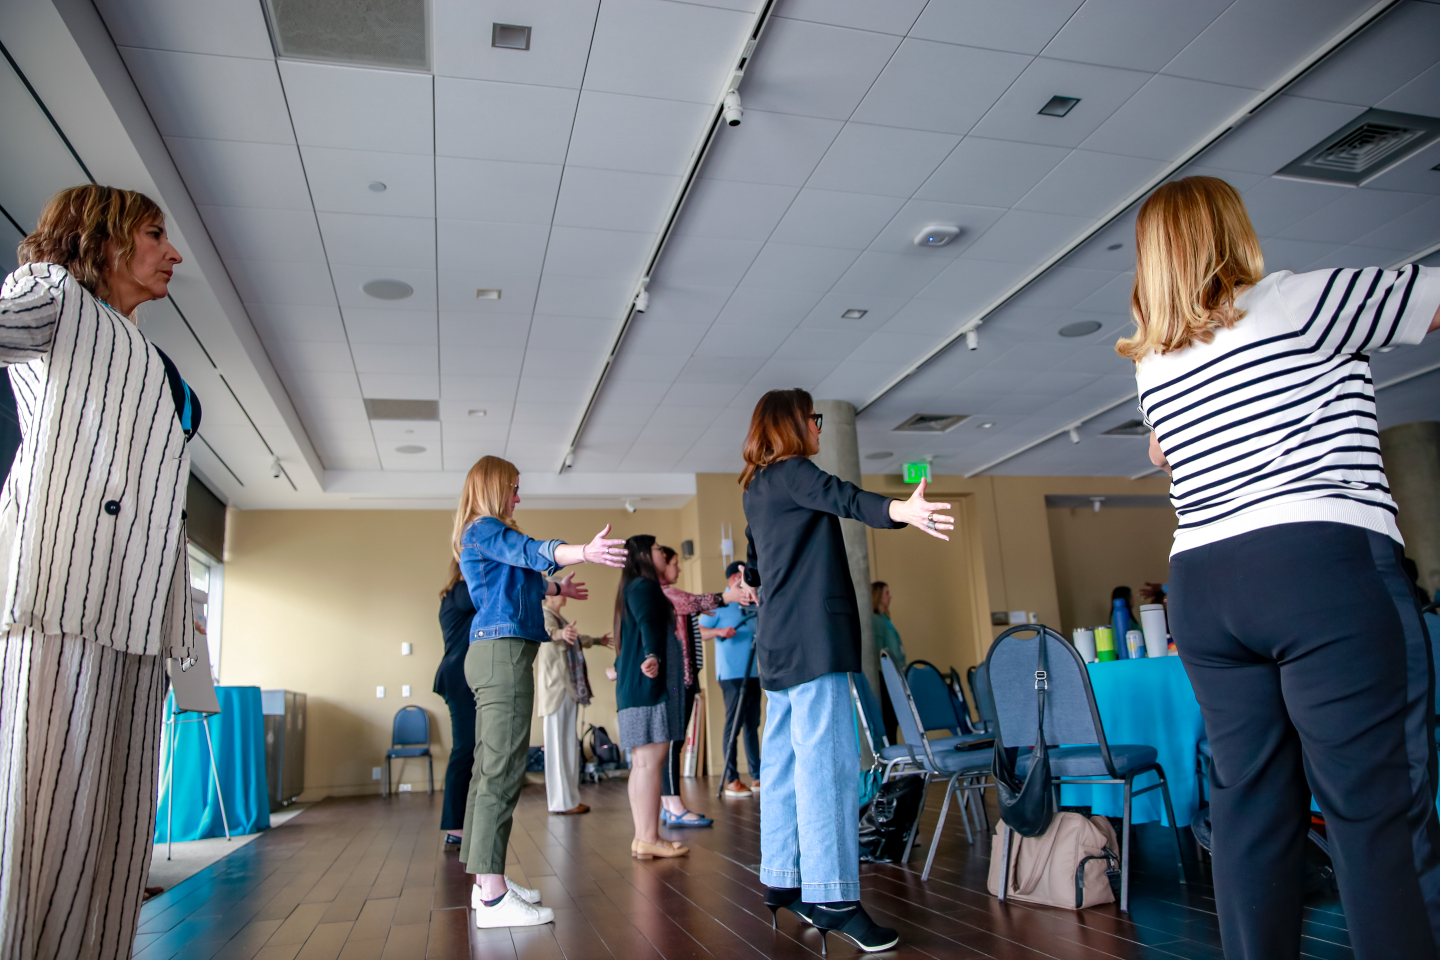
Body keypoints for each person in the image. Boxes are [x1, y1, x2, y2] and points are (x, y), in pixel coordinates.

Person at [1125, 176, 1440, 960]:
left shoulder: (1154, 361)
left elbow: (1165, 453)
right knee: (1375, 811)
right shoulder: (1302, 298)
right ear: (1233, 231)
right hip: (1317, 565)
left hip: (1203, 582)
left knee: (1251, 813)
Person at [0, 185, 201, 959]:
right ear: (105, 240)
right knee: (47, 825)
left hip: (137, 615)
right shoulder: (53, 294)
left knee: (116, 836)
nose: (172, 252)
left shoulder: (147, 353)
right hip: (65, 597)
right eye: (154, 234)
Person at [741, 388, 952, 952]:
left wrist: (754, 583)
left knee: (785, 764)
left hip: (779, 644)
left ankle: (783, 880)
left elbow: (755, 572)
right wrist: (901, 511)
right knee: (827, 767)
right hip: (815, 641)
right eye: (812, 418)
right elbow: (844, 497)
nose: (817, 426)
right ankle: (834, 898)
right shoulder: (793, 471)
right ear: (792, 424)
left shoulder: (755, 488)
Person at [453, 455, 626, 928]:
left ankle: (485, 883)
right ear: (493, 488)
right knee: (501, 772)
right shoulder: (484, 527)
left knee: (491, 768)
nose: (518, 495)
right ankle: (492, 897)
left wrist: (555, 587)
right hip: (501, 655)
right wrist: (584, 552)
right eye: (513, 486)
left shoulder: (482, 535)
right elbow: (531, 551)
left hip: (498, 652)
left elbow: (520, 574)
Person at [654, 544, 754, 826]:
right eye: (674, 563)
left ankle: (670, 804)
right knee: (673, 741)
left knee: (675, 741)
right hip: (677, 678)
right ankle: (673, 805)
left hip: (684, 676)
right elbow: (689, 602)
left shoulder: (667, 594)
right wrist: (727, 597)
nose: (678, 568)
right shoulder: (665, 593)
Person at [613, 534, 690, 861]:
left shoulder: (630, 587)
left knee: (643, 764)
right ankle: (647, 837)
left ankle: (644, 837)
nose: (662, 552)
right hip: (649, 686)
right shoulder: (643, 587)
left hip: (636, 687)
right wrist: (653, 655)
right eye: (658, 549)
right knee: (649, 763)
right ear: (645, 554)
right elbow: (648, 624)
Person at [538, 584, 611, 815]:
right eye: (559, 592)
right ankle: (560, 802)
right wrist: (562, 634)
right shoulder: (544, 616)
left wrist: (599, 640)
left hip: (567, 689)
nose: (564, 595)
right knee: (558, 748)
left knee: (568, 746)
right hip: (555, 690)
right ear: (548, 596)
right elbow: (549, 633)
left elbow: (576, 638)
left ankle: (569, 800)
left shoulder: (559, 618)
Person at [700, 561, 762, 798]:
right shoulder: (719, 605)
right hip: (731, 676)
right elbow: (700, 631)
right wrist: (719, 632)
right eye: (741, 576)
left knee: (752, 725)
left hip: (754, 673)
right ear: (734, 578)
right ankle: (732, 779)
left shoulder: (752, 603)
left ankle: (757, 777)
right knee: (733, 725)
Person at [435, 562, 477, 846]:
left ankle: (461, 823)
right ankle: (455, 828)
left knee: (470, 749)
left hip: (461, 677)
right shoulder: (460, 591)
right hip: (458, 678)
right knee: (464, 750)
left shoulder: (456, 593)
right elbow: (490, 593)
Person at [870, 581, 906, 743]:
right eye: (886, 593)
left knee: (894, 720)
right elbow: (878, 652)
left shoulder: (885, 619)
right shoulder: (876, 621)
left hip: (893, 675)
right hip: (885, 677)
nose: (890, 597)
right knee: (890, 720)